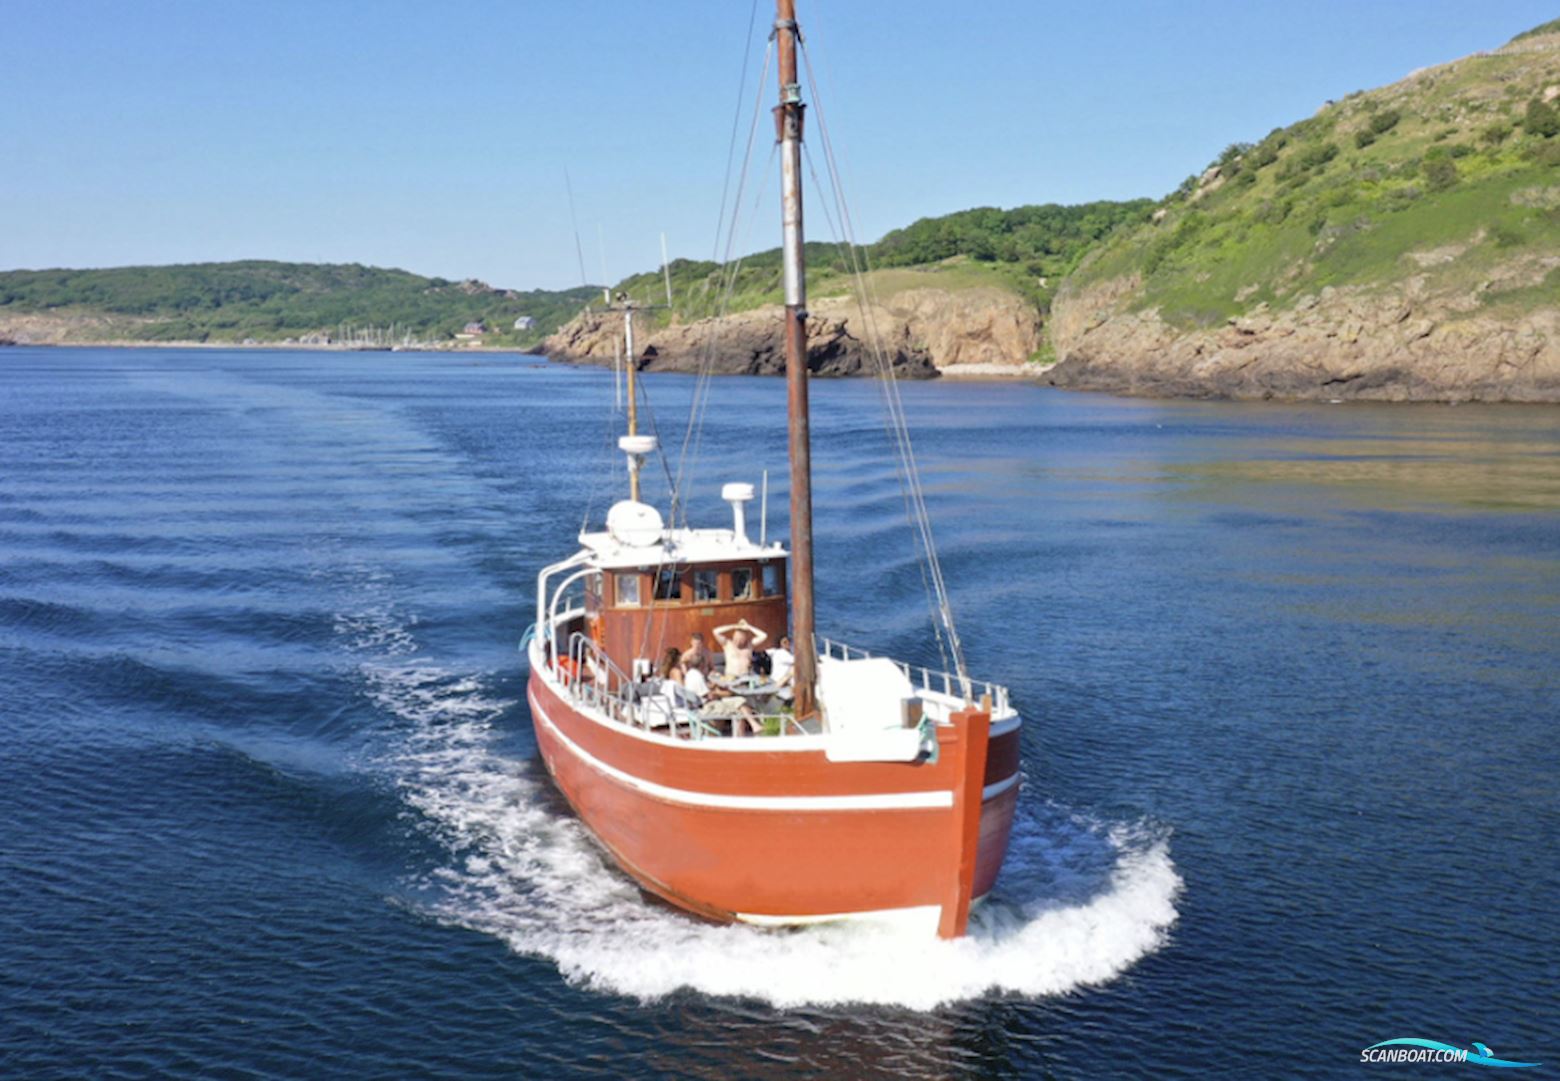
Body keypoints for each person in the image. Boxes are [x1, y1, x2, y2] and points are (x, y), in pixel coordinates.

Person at [684, 662, 762, 737]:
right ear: (702, 665)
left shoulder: (690, 674)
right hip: (707, 707)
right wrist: (721, 693)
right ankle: (746, 733)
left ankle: (753, 726)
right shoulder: (697, 676)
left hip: (703, 705)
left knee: (739, 701)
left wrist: (714, 686)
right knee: (738, 707)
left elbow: (704, 690)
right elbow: (709, 696)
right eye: (707, 666)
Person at [769, 635, 795, 703]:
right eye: (785, 642)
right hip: (779, 681)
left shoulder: (788, 653)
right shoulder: (781, 653)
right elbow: (797, 661)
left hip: (784, 681)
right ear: (780, 644)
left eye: (789, 641)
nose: (788, 643)